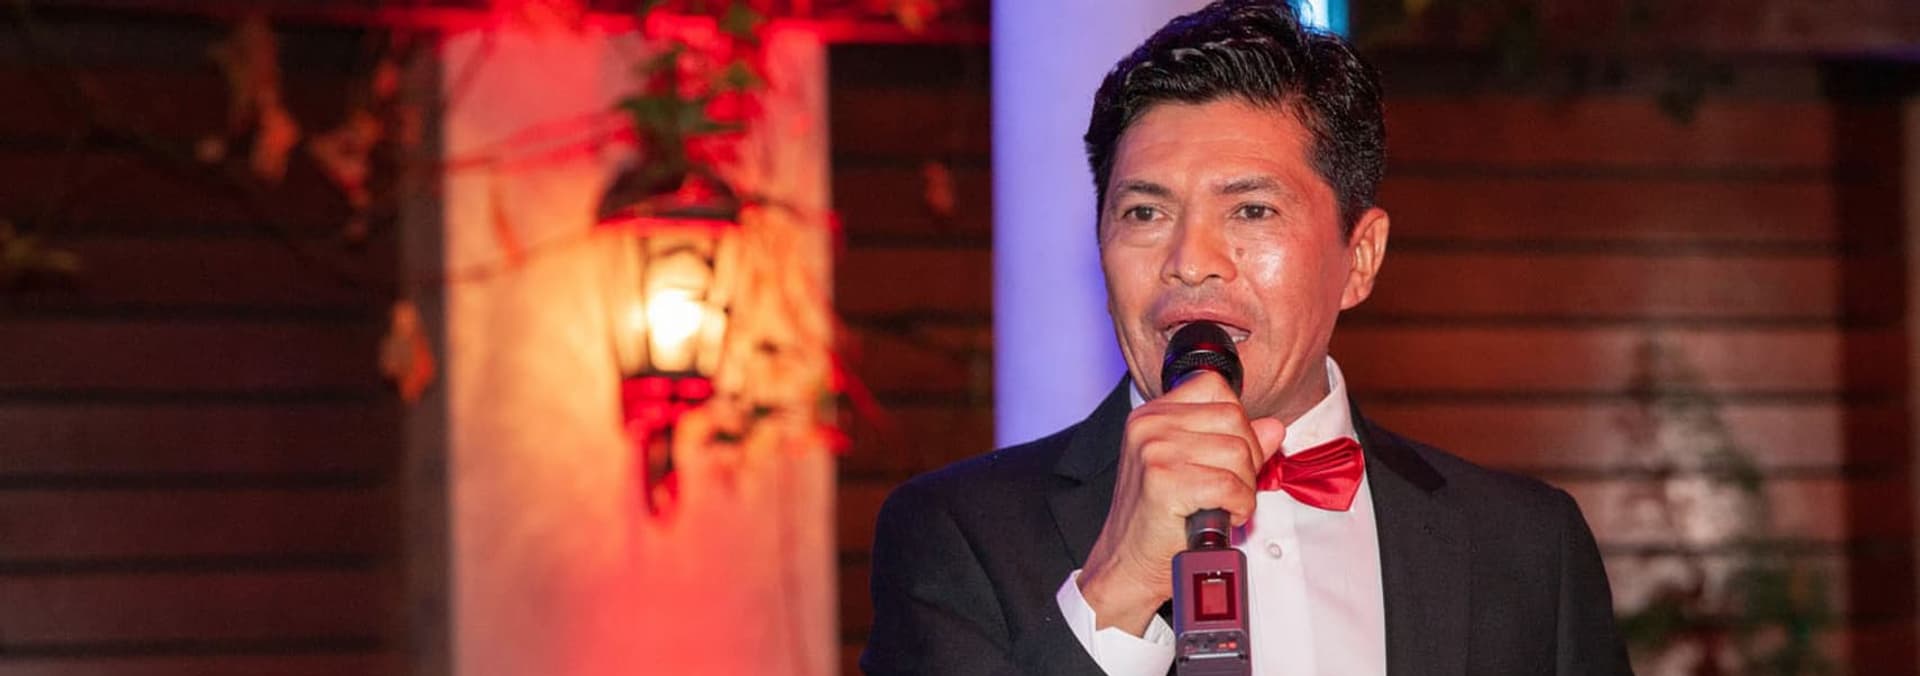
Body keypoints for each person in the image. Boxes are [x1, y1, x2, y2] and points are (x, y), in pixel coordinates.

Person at [860, 1, 1631, 674]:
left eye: (1252, 210)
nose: (1190, 260)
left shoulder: (1525, 545)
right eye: (1144, 213)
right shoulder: (959, 534)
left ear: (1360, 258)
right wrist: (1118, 588)